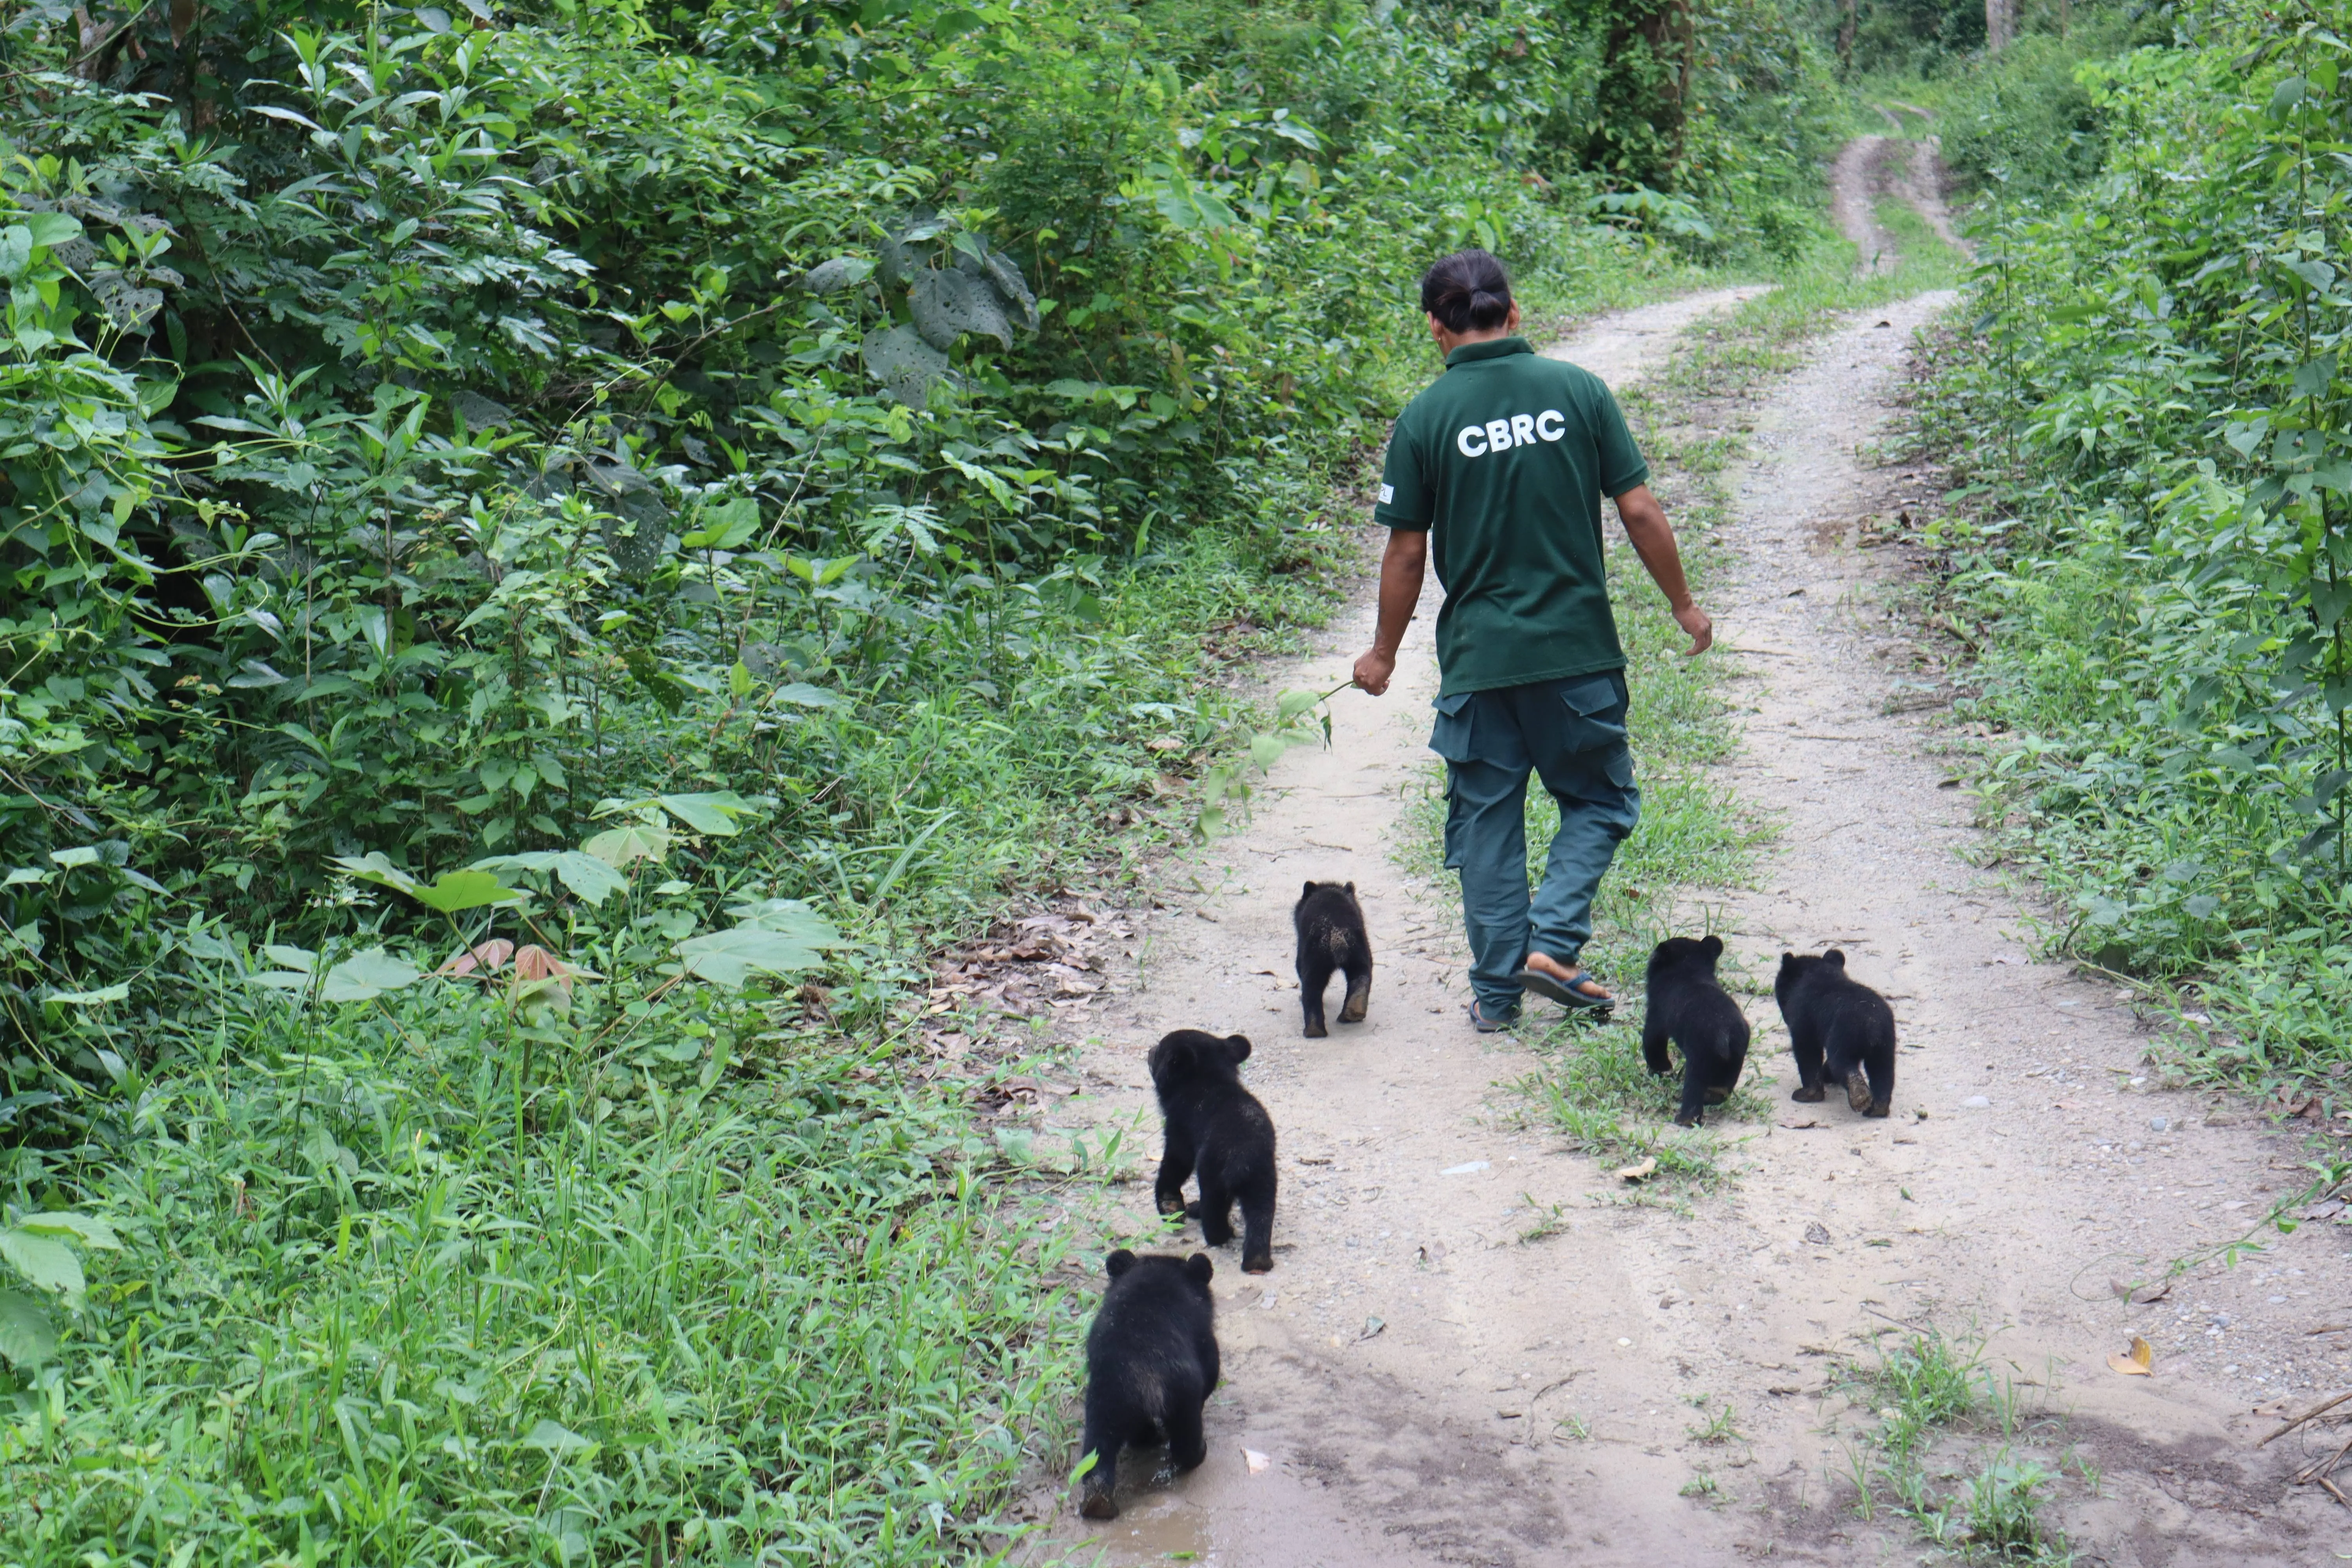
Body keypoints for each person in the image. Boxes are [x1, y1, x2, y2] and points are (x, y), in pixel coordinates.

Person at [1352, 249, 1713, 1033]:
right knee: (1600, 798)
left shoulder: (1424, 419)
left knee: (1486, 820)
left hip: (1480, 663)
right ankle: (1551, 942)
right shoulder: (1577, 392)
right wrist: (1682, 604)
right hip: (1576, 654)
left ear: (1435, 328)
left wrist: (1381, 652)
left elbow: (1407, 550)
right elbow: (1640, 511)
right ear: (1514, 314)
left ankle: (1498, 993)